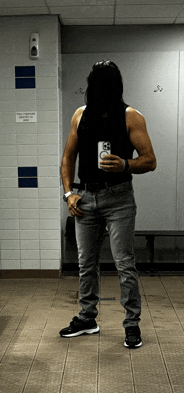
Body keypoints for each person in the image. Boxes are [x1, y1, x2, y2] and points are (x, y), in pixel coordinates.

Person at [60, 60, 156, 348]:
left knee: (124, 263)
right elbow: (68, 157)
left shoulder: (131, 116)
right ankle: (87, 318)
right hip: (85, 198)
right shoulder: (81, 115)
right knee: (86, 264)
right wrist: (68, 193)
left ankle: (131, 324)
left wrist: (125, 164)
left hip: (119, 199)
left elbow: (150, 160)